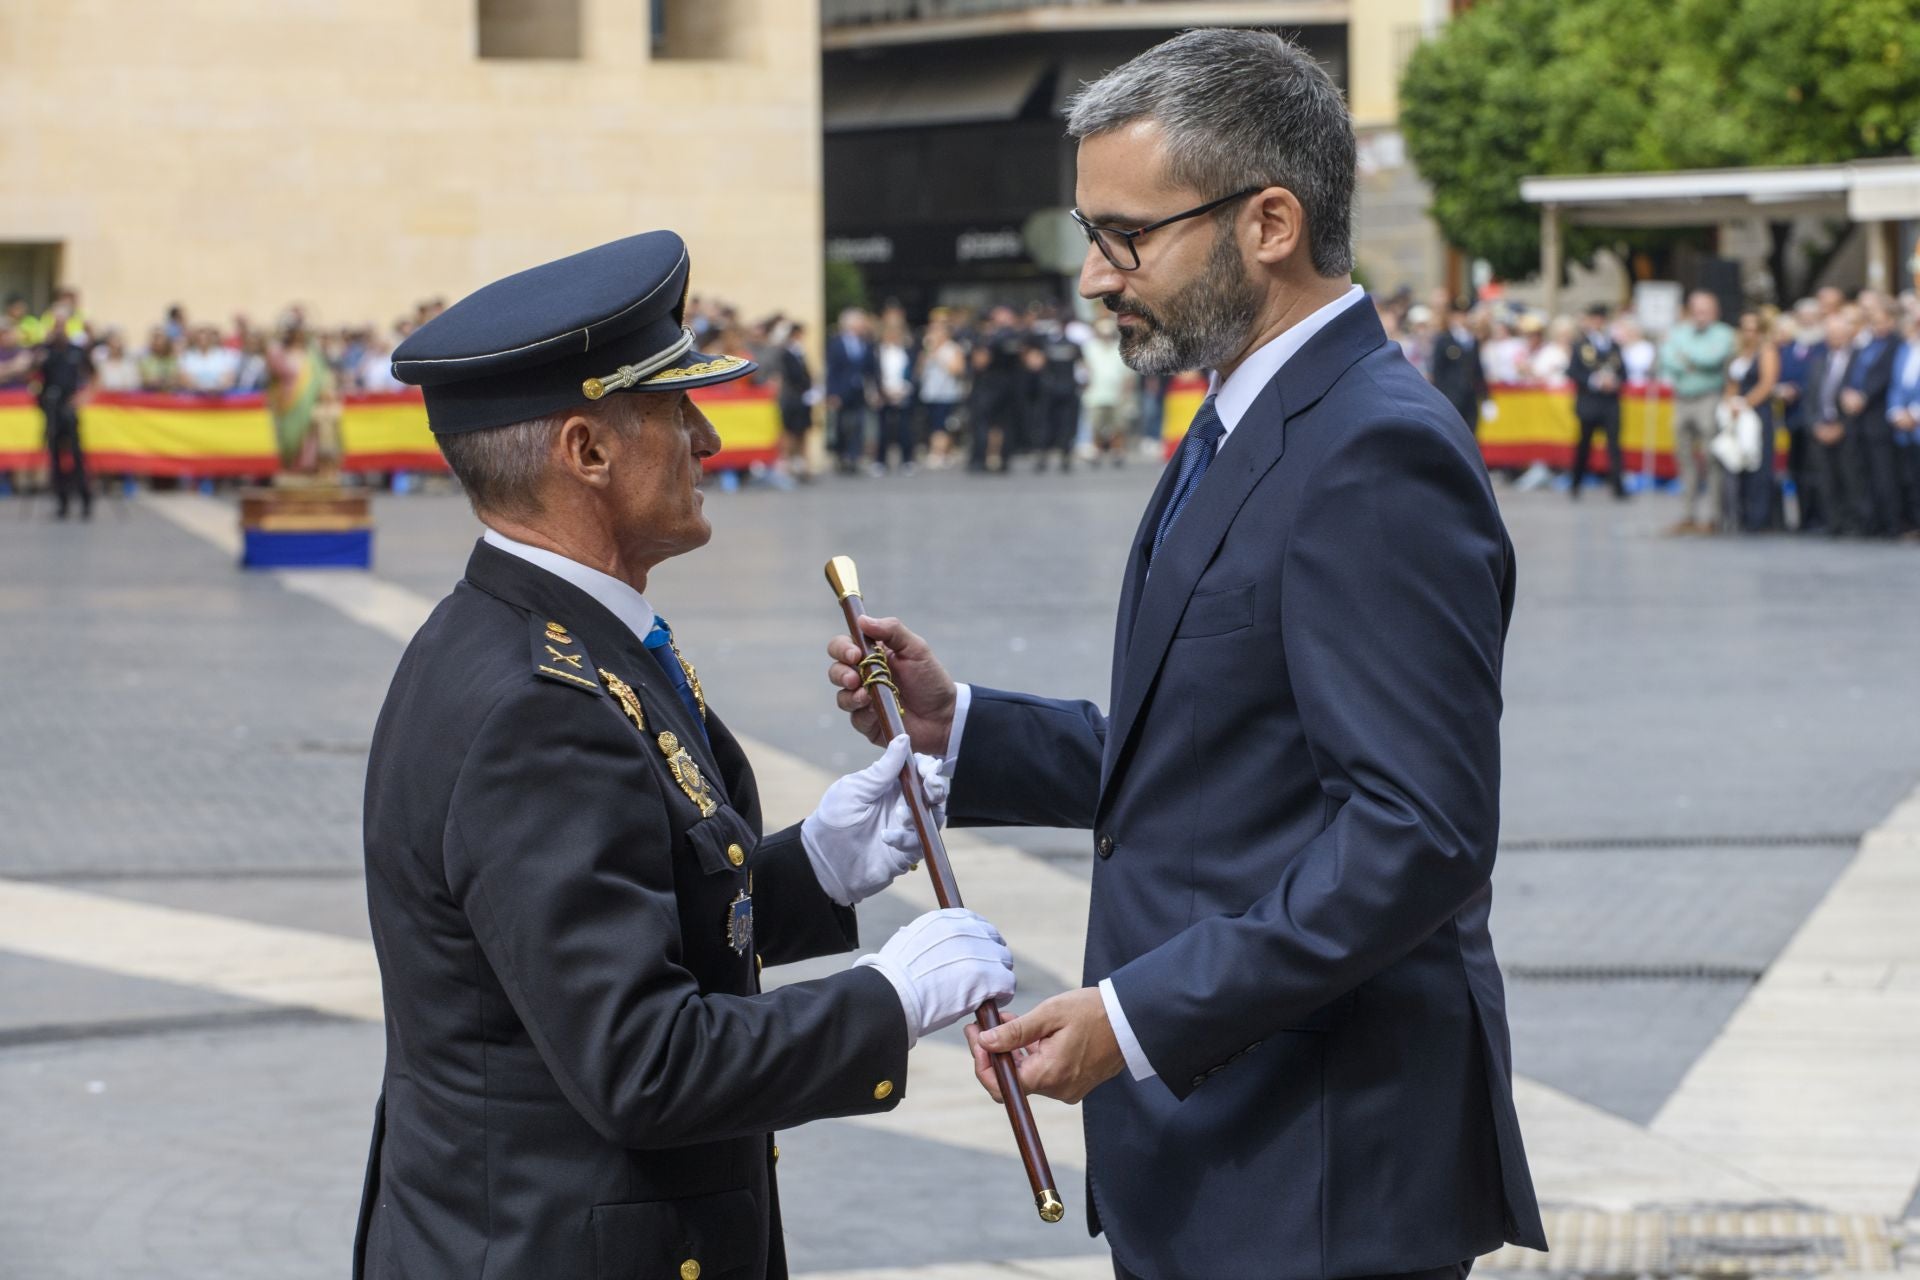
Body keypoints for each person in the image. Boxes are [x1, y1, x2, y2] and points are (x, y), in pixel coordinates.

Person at [828, 30, 1542, 1280]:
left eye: (1125, 235)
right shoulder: (1238, 417)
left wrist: (1132, 1015)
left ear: (1269, 220)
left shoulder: (1374, 451)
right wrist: (964, 724)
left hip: (1318, 1168)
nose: (1096, 279)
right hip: (1230, 1155)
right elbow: (1219, 753)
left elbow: (1414, 834)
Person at [365, 231, 1016, 1280]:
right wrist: (884, 1001)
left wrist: (817, 865)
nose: (707, 436)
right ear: (586, 451)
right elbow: (643, 1060)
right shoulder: (541, 703)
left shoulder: (546, 636)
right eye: (674, 409)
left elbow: (632, 904)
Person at [1661, 290, 1737, 533]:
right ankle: (1688, 513)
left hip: (1709, 397)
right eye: (1696, 310)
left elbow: (1711, 359)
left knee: (1711, 457)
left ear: (1715, 312)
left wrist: (1687, 358)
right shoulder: (1680, 332)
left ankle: (1714, 515)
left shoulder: (1724, 333)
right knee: (1684, 458)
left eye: (1705, 310)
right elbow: (1667, 358)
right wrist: (1691, 361)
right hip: (1682, 398)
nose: (1699, 315)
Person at [1841, 293, 1903, 537]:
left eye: (1880, 320)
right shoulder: (1865, 344)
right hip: (1858, 419)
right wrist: (1847, 393)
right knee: (1862, 472)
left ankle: (1890, 523)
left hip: (1879, 417)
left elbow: (1886, 377)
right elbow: (1852, 371)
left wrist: (1863, 397)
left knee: (1884, 473)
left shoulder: (1896, 344)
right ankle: (1868, 521)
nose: (1876, 325)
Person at [1722, 310, 1781, 531]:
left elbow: (1767, 383)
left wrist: (1745, 403)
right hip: (1737, 413)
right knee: (1738, 463)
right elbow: (1731, 382)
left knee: (1759, 464)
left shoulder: (1766, 351)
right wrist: (1730, 402)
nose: (1749, 333)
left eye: (1754, 329)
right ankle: (1741, 514)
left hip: (1757, 412)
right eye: (1745, 328)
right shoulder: (1738, 353)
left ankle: (1760, 517)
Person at [34, 322, 96, 519]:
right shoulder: (46, 352)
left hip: (69, 409)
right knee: (55, 457)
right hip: (52, 410)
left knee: (76, 456)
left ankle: (85, 498)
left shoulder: (76, 351)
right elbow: (33, 376)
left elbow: (93, 375)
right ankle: (62, 502)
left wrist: (82, 398)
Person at [1805, 311, 1857, 536]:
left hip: (1845, 428)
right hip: (1820, 426)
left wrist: (1842, 425)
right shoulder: (1819, 361)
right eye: (1831, 333)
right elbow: (1811, 398)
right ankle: (1832, 522)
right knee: (1824, 479)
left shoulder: (1857, 361)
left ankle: (1852, 522)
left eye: (1839, 333)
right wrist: (1815, 425)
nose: (1834, 337)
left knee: (1849, 477)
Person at [1568, 303, 1627, 499]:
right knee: (1584, 445)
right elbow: (1573, 372)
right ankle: (1576, 483)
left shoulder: (1614, 345)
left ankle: (1618, 486)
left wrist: (1614, 381)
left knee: (1614, 445)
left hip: (1610, 402)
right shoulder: (1581, 345)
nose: (1598, 322)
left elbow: (1623, 372)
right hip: (1590, 401)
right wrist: (1595, 381)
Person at [1775, 301, 1822, 530]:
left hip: (1816, 415)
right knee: (1796, 469)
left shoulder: (1823, 346)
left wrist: (1800, 389)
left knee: (1816, 469)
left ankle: (1818, 516)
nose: (1807, 321)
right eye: (1802, 316)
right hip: (1793, 417)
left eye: (1811, 316)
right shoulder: (1788, 348)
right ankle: (1802, 517)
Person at [824, 307, 879, 475]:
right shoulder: (836, 343)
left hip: (859, 390)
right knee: (842, 425)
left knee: (859, 424)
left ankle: (854, 456)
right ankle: (842, 455)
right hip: (841, 391)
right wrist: (832, 393)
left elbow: (872, 369)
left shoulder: (866, 343)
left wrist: (876, 390)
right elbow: (832, 370)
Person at [1081, 314, 1136, 465]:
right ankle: (1096, 450)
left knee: (1118, 425)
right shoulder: (1090, 348)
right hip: (1096, 393)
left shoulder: (1120, 348)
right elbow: (1084, 368)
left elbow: (1128, 375)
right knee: (1096, 425)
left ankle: (1117, 451)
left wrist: (1126, 393)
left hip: (1116, 394)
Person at [1428, 297, 1488, 435]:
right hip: (1451, 397)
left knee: (1472, 435)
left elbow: (1478, 370)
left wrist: (1485, 396)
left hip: (1470, 398)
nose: (1462, 318)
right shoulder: (1444, 340)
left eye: (1465, 314)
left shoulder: (1472, 340)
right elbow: (1438, 372)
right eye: (1459, 314)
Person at [914, 315, 967, 469]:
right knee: (933, 423)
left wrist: (937, 356)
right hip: (930, 393)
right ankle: (945, 451)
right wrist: (926, 354)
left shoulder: (953, 348)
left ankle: (937, 453)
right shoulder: (927, 350)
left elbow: (958, 369)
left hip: (947, 393)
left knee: (942, 424)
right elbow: (919, 372)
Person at [1886, 311, 1920, 536]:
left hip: (1916, 421)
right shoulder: (1905, 349)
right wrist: (1897, 412)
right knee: (1908, 477)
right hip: (1903, 427)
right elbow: (1896, 384)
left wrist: (1915, 414)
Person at [874, 312, 916, 474]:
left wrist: (904, 389)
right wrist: (882, 391)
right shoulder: (878, 351)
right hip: (884, 394)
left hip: (902, 393)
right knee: (883, 429)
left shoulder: (906, 351)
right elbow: (875, 373)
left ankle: (907, 459)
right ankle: (880, 461)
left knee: (904, 429)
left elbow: (912, 373)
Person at [774, 319, 815, 481]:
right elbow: (794, 376)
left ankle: (802, 465)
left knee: (802, 433)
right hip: (792, 398)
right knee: (790, 433)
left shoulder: (799, 353)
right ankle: (789, 465)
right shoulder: (786, 353)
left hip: (802, 399)